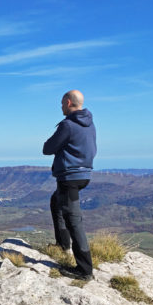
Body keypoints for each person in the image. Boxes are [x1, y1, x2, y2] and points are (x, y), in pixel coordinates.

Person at [43, 90, 97, 280]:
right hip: (84, 175)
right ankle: (63, 245)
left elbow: (47, 148)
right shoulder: (89, 123)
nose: (60, 107)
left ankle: (84, 270)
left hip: (70, 177)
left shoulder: (68, 125)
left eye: (61, 103)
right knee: (56, 202)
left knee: (73, 219)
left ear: (68, 102)